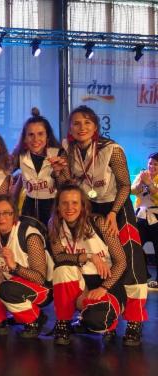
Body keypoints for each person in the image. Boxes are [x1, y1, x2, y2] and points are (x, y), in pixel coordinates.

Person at [58, 105, 147, 344]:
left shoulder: (112, 149)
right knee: (92, 259)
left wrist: (114, 213)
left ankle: (135, 322)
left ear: (96, 126)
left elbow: (125, 185)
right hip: (89, 208)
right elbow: (69, 185)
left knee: (132, 263)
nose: (82, 127)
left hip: (116, 208)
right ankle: (101, 312)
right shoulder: (68, 149)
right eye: (76, 123)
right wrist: (59, 173)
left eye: (87, 122)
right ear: (70, 128)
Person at [48, 184, 131, 345]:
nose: (69, 208)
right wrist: (89, 256)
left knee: (97, 320)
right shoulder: (54, 224)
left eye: (75, 203)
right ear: (58, 206)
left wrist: (104, 288)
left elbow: (121, 261)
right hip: (80, 283)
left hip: (106, 282)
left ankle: (102, 322)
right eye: (64, 203)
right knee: (62, 269)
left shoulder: (99, 222)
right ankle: (63, 323)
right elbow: (59, 257)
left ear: (83, 205)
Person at [0, 195, 52, 338]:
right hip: (10, 282)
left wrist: (14, 266)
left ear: (14, 214)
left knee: (7, 288)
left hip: (41, 289)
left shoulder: (30, 235)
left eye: (6, 213)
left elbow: (40, 278)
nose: (1, 218)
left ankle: (35, 319)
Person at [11, 107, 64, 226]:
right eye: (31, 134)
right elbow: (2, 171)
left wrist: (57, 173)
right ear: (25, 138)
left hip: (53, 208)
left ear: (47, 136)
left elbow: (66, 187)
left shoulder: (59, 153)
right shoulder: (20, 155)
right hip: (29, 209)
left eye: (40, 134)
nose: (35, 139)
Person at [131, 152, 158, 289]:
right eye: (150, 163)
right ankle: (143, 275)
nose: (152, 166)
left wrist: (150, 184)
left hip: (156, 216)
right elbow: (132, 191)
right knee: (135, 246)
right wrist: (140, 183)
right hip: (141, 216)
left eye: (155, 164)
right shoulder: (142, 175)